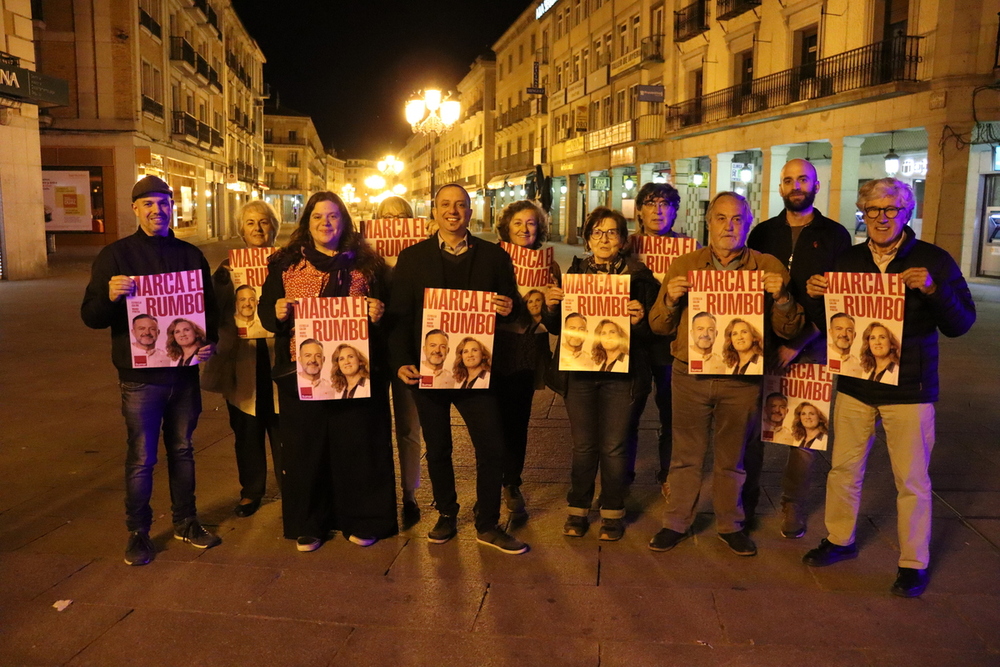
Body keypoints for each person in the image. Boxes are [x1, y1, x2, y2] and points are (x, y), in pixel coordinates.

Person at [803, 177, 976, 597]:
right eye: (873, 210)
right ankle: (839, 539)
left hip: (910, 390)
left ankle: (913, 562)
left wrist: (933, 291)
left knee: (911, 480)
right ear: (862, 214)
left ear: (907, 212)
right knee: (843, 470)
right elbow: (833, 326)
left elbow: (961, 323)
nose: (881, 218)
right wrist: (813, 296)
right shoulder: (847, 261)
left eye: (890, 210)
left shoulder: (933, 260)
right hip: (855, 387)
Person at [647, 191, 804, 557]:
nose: (728, 226)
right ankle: (676, 522)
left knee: (732, 457)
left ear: (748, 224)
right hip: (689, 375)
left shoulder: (768, 266)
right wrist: (669, 299)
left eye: (737, 219)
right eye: (720, 218)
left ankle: (730, 524)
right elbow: (657, 325)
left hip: (741, 379)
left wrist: (782, 299)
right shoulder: (685, 264)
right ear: (708, 222)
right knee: (686, 454)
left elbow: (789, 330)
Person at [81, 175, 220, 566]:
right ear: (135, 209)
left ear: (172, 206)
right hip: (140, 379)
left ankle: (186, 521)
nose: (157, 211)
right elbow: (90, 316)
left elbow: (210, 311)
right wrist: (109, 296)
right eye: (148, 204)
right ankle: (138, 531)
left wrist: (210, 343)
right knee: (142, 456)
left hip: (184, 375)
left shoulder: (191, 255)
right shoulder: (115, 256)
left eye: (163, 203)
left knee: (183, 450)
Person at [386, 183, 527, 554]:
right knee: (438, 448)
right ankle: (446, 512)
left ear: (470, 211)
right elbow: (399, 316)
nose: (453, 211)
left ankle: (488, 522)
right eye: (446, 205)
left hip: (477, 371)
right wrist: (400, 361)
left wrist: (509, 306)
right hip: (428, 370)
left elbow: (515, 304)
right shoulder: (412, 258)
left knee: (491, 445)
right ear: (434, 211)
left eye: (461, 205)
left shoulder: (495, 257)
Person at [260, 191, 397, 551]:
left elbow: (388, 312)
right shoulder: (285, 264)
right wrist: (275, 312)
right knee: (307, 449)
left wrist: (379, 312)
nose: (326, 223)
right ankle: (310, 523)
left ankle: (361, 518)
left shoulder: (367, 265)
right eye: (318, 217)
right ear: (307, 222)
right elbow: (264, 313)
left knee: (357, 446)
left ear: (345, 222)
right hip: (302, 375)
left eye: (333, 216)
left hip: (356, 373)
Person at [742, 158, 852, 539]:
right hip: (764, 347)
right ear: (780, 189)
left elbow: (842, 299)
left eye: (803, 179)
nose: (795, 186)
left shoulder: (835, 235)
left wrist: (799, 342)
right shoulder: (762, 233)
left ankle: (793, 504)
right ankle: (748, 499)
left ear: (817, 185)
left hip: (813, 347)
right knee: (754, 427)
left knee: (805, 431)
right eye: (788, 180)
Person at [544, 207, 659, 541]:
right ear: (588, 239)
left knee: (614, 445)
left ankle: (612, 510)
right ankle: (577, 508)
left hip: (622, 375)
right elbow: (557, 328)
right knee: (583, 446)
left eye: (612, 233)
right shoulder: (575, 273)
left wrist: (640, 320)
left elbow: (655, 332)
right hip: (579, 374)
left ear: (623, 240)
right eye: (597, 232)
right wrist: (553, 307)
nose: (604, 239)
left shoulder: (639, 278)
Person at [200, 199, 282, 518]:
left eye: (264, 222)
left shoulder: (288, 263)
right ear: (240, 230)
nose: (258, 228)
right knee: (246, 427)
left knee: (284, 427)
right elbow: (213, 309)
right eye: (250, 223)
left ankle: (293, 486)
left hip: (280, 355)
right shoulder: (226, 268)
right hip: (242, 357)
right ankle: (251, 491)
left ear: (274, 227)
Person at [494, 200, 561, 517]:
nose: (524, 228)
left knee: (518, 419)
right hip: (492, 345)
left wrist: (551, 305)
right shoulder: (490, 258)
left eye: (531, 223)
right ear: (506, 226)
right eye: (518, 222)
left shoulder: (550, 266)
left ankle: (511, 481)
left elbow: (556, 322)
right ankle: (489, 481)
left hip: (528, 348)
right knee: (489, 419)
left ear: (540, 228)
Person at [625, 181, 692, 485]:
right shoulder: (626, 247)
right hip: (635, 343)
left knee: (673, 414)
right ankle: (623, 476)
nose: (658, 210)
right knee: (629, 411)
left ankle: (669, 476)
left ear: (675, 211)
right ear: (639, 210)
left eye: (665, 204)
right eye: (651, 203)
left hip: (672, 343)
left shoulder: (690, 252)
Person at [374, 195, 423, 528]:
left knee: (409, 426)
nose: (395, 222)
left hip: (409, 349)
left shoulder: (420, 256)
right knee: (373, 426)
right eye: (387, 216)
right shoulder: (363, 255)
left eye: (402, 216)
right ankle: (378, 493)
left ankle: (409, 493)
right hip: (373, 349)